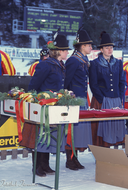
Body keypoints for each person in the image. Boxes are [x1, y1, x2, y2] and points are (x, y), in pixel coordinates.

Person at [20, 33, 71, 177]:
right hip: (43, 106)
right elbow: (33, 85)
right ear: (59, 51)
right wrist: (35, 101)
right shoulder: (45, 64)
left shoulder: (60, 65)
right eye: (66, 49)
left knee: (49, 135)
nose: (68, 52)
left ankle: (45, 165)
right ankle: (37, 166)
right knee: (40, 136)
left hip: (54, 106)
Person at [89, 31, 125, 147]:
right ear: (101, 49)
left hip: (115, 99)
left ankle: (112, 154)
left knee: (114, 127)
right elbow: (93, 84)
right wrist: (101, 99)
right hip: (102, 100)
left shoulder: (118, 63)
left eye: (111, 47)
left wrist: (119, 97)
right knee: (100, 128)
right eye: (107, 47)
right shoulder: (94, 64)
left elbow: (121, 81)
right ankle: (101, 153)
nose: (110, 50)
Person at [64, 29, 93, 170]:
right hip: (75, 100)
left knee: (78, 131)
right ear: (82, 46)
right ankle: (69, 160)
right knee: (72, 131)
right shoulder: (73, 61)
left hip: (82, 99)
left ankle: (75, 158)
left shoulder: (82, 60)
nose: (91, 48)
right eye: (89, 45)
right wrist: (69, 98)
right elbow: (66, 82)